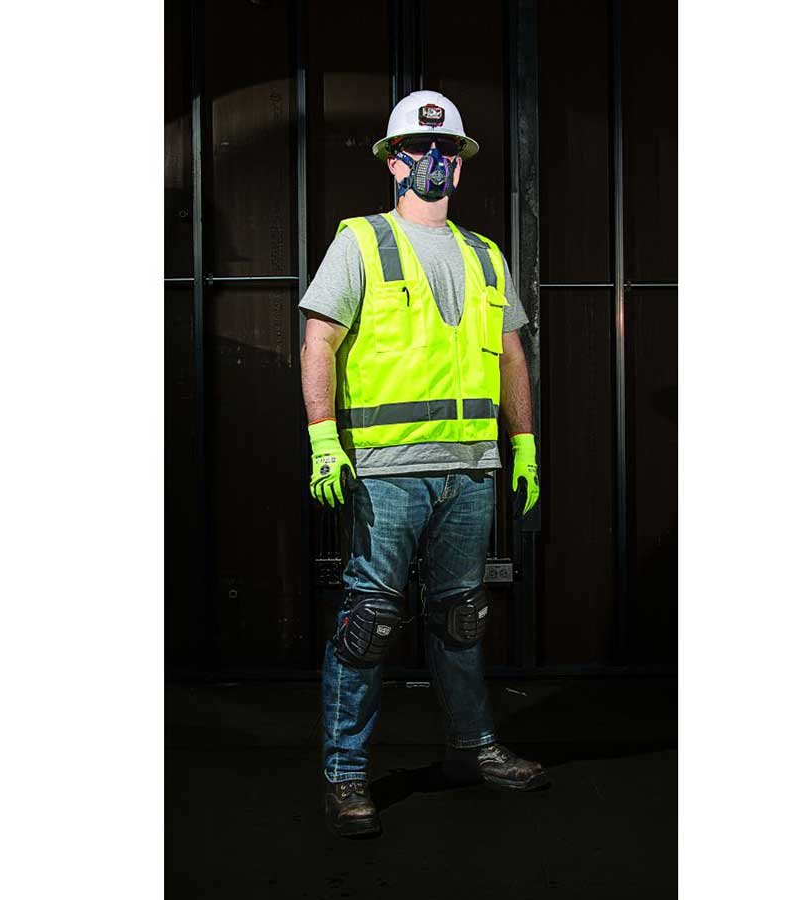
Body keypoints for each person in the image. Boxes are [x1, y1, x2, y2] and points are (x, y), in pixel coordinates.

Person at [298, 90, 546, 838]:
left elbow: (511, 356)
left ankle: (472, 748)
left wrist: (524, 444)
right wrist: (323, 439)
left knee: (463, 617)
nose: (432, 160)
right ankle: (345, 774)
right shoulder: (361, 242)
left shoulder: (486, 255)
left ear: (459, 168)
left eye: (445, 150)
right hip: (385, 472)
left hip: (471, 469)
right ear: (393, 162)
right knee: (370, 623)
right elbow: (318, 341)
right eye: (416, 148)